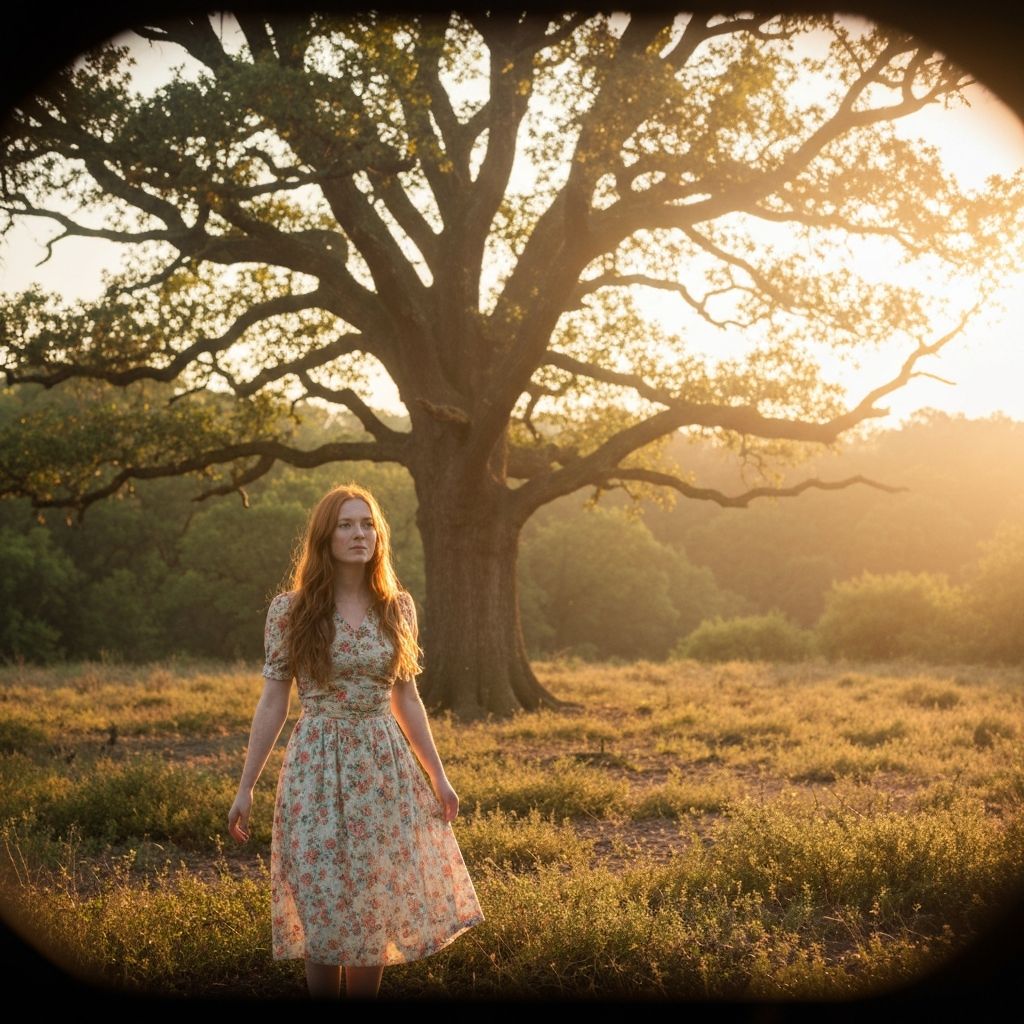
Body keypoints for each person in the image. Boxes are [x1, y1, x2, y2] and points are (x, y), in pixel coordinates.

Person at [228, 482, 484, 999]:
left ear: (379, 535)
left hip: (382, 767)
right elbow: (274, 701)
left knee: (371, 902)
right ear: (325, 536)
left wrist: (439, 776)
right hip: (315, 767)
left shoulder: (398, 608)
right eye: (346, 524)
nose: (358, 533)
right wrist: (245, 786)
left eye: (367, 524)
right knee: (323, 903)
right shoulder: (290, 610)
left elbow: (406, 698)